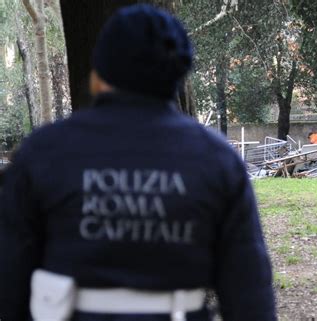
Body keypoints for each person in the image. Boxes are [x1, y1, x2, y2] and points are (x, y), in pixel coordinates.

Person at [0, 5, 276, 321]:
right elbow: (248, 292)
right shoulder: (217, 160)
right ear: (179, 72)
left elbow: (9, 281)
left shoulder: (43, 152)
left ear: (99, 73)